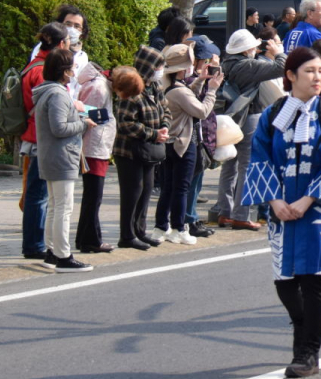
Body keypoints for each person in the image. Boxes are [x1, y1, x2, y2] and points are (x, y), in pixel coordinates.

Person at [243, 46, 321, 379]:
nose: (318, 77)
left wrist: (307, 200)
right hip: (281, 209)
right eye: (310, 71)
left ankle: (307, 352)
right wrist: (274, 202)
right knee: (284, 280)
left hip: (318, 209)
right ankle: (304, 332)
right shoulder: (273, 114)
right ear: (290, 76)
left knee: (313, 279)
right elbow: (260, 157)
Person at [33, 49, 99, 273]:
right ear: (64, 71)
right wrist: (84, 124)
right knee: (63, 208)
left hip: (51, 155)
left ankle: (52, 252)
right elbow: (59, 128)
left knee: (55, 206)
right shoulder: (59, 94)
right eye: (71, 68)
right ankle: (63, 256)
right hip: (62, 156)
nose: (74, 71)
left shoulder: (46, 91)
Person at [215, 28, 286, 230]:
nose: (256, 48)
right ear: (247, 49)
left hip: (231, 118)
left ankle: (225, 212)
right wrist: (278, 51)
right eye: (254, 46)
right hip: (247, 118)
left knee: (229, 166)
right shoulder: (247, 65)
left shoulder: (227, 62)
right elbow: (281, 67)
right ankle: (241, 215)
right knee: (246, 167)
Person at [153, 44, 221, 245]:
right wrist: (212, 91)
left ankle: (161, 226)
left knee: (168, 187)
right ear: (182, 68)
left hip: (171, 143)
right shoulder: (179, 91)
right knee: (182, 188)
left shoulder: (170, 86)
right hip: (184, 143)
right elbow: (201, 111)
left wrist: (200, 81)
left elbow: (187, 95)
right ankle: (179, 228)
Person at [18, 22, 74, 262]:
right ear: (61, 44)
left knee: (39, 195)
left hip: (33, 136)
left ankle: (38, 243)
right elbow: (52, 114)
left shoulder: (33, 64)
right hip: (41, 139)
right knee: (41, 197)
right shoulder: (44, 71)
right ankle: (36, 244)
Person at [112, 56, 161, 250]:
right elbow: (125, 123)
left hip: (148, 149)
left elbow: (164, 109)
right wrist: (153, 134)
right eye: (158, 66)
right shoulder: (130, 88)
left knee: (146, 189)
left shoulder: (155, 87)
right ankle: (127, 235)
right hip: (129, 150)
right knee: (132, 191)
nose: (161, 70)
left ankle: (140, 230)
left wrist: (163, 127)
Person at [182, 35, 222, 238]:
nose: (208, 64)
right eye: (205, 60)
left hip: (203, 135)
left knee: (196, 180)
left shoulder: (197, 78)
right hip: (194, 136)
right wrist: (209, 85)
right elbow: (201, 107)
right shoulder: (187, 80)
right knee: (191, 181)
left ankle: (191, 217)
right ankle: (188, 218)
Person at [75, 61, 117, 254]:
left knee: (92, 196)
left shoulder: (100, 85)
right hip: (94, 145)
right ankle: (91, 239)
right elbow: (85, 114)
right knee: (94, 195)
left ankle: (85, 238)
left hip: (97, 144)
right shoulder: (99, 88)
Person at [28, 4, 90, 99]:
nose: (72, 29)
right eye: (68, 24)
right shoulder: (43, 48)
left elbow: (78, 86)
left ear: (82, 32)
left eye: (77, 26)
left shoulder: (82, 57)